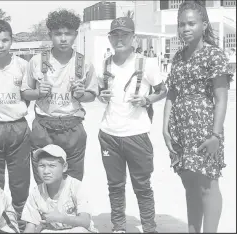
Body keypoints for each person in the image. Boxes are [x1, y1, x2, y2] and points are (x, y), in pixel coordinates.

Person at [163, 2, 233, 232]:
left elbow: (221, 99)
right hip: (181, 129)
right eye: (181, 24)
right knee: (190, 185)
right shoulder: (178, 57)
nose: (185, 28)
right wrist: (165, 128)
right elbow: (171, 93)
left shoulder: (214, 55)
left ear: (204, 25)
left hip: (205, 129)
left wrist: (215, 135)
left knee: (208, 185)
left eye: (191, 23)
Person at [97, 17, 167, 233]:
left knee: (142, 186)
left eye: (124, 35)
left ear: (133, 38)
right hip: (109, 133)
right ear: (109, 38)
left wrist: (147, 100)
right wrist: (102, 96)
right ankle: (118, 226)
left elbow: (163, 90)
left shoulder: (147, 64)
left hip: (137, 134)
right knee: (115, 186)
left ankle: (148, 227)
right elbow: (102, 95)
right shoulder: (105, 64)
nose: (120, 39)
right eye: (115, 35)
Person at [21, 9, 97, 183]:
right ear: (50, 35)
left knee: (73, 178)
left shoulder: (84, 63)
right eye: (58, 34)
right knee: (44, 177)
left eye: (68, 34)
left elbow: (92, 95)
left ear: (76, 34)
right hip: (44, 126)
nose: (63, 39)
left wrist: (80, 94)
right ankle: (44, 209)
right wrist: (38, 93)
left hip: (73, 125)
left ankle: (69, 210)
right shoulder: (37, 61)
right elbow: (25, 92)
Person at [0, 19, 30, 222]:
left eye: (5, 40)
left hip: (18, 127)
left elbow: (27, 95)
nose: (0, 45)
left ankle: (20, 215)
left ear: (12, 40)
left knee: (20, 178)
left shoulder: (23, 65)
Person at [21, 145, 96, 233]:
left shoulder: (75, 186)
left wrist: (60, 218)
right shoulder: (36, 192)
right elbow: (30, 227)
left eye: (52, 166)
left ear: (64, 167)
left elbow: (85, 221)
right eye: (42, 166)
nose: (46, 171)